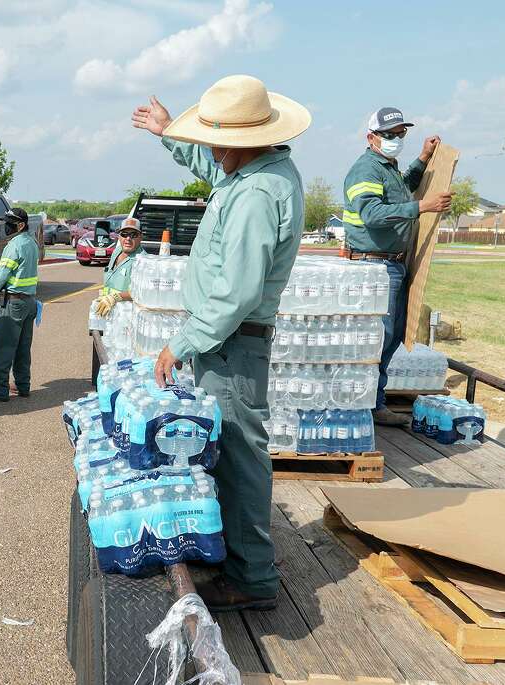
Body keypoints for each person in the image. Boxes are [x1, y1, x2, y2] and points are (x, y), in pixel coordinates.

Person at [131, 74, 310, 611]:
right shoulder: (257, 170)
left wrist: (179, 344)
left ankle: (252, 579)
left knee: (238, 459)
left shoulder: (256, 193)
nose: (210, 148)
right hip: (231, 342)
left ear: (239, 140)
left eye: (214, 138)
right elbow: (215, 171)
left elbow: (235, 293)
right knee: (234, 454)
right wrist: (169, 135)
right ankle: (241, 559)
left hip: (231, 343)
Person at [342, 107, 451, 427]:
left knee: (389, 339)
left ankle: (374, 402)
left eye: (400, 134)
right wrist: (423, 206)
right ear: (371, 137)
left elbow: (401, 188)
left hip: (391, 266)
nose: (395, 140)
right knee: (379, 339)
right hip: (374, 267)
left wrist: (423, 158)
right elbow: (373, 214)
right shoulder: (366, 170)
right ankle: (369, 405)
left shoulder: (387, 168)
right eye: (389, 135)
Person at [0, 208, 40, 402]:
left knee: (4, 346)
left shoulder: (14, 246)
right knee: (23, 347)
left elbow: (2, 274)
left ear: (20, 225)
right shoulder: (32, 243)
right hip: (29, 302)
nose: (6, 226)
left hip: (13, 303)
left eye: (9, 222)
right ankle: (23, 385)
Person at [94, 217, 144, 316]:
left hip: (128, 317)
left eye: (133, 235)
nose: (128, 238)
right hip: (108, 311)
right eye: (124, 234)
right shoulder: (117, 251)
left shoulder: (142, 261)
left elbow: (141, 292)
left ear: (141, 237)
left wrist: (115, 297)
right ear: (119, 237)